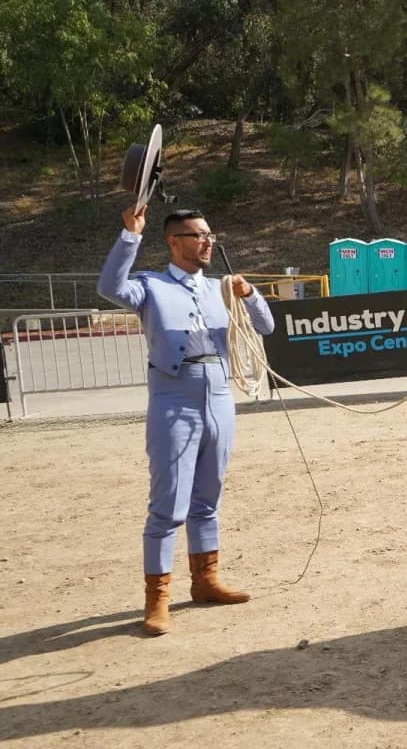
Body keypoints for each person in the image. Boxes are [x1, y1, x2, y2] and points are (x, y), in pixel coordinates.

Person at [98, 204, 275, 636]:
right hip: (173, 397)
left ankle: (206, 580)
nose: (207, 241)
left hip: (218, 392)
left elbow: (266, 327)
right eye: (198, 235)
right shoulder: (150, 286)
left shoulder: (221, 288)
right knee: (167, 503)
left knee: (207, 496)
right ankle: (157, 597)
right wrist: (130, 235)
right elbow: (109, 287)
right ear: (174, 241)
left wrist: (249, 295)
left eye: (209, 234)